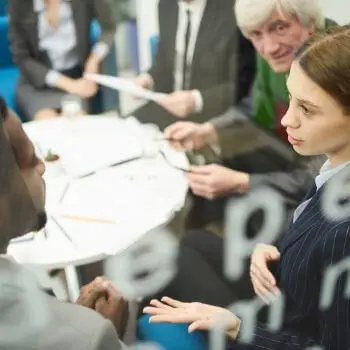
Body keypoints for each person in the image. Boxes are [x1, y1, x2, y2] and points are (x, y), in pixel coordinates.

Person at [142, 24, 350, 349]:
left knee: (175, 262)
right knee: (191, 242)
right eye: (292, 99)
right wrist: (270, 250)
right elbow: (308, 226)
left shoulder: (344, 235)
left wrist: (236, 327)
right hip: (283, 293)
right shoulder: (334, 167)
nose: (287, 120)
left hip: (276, 331)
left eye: (306, 110)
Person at [165, 0, 336, 230]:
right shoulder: (279, 57)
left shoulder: (335, 65)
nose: (269, 48)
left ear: (310, 22)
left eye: (280, 28)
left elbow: (325, 175)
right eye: (256, 34)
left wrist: (243, 183)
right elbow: (254, 107)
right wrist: (207, 130)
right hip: (291, 158)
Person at [0, 96, 127, 349]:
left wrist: (71, 320)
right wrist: (98, 334)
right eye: (28, 159)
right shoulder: (92, 336)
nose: (42, 167)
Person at [130, 0, 256, 130]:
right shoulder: (166, 5)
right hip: (168, 106)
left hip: (212, 115)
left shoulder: (232, 10)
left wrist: (196, 100)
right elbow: (164, 59)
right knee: (124, 130)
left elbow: (242, 84)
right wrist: (148, 78)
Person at [8, 0, 117, 121]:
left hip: (77, 77)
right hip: (37, 83)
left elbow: (109, 28)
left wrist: (93, 60)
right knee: (47, 122)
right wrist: (70, 85)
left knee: (77, 122)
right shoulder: (19, 3)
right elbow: (22, 58)